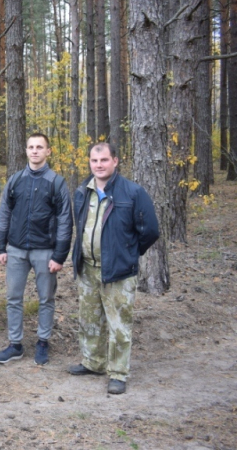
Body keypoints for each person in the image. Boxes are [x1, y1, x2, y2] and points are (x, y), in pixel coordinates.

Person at [67, 143, 159, 395]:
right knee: (89, 320)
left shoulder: (132, 192)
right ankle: (93, 362)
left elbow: (150, 230)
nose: (99, 165)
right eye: (94, 160)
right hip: (87, 269)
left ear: (115, 161)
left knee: (119, 326)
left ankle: (118, 373)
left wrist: (128, 253)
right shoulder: (82, 191)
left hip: (118, 272)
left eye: (104, 160)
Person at [0, 133, 73, 366]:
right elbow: (4, 214)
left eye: (40, 147)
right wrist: (0, 246)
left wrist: (59, 255)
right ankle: (15, 344)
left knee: (46, 298)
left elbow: (65, 221)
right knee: (13, 297)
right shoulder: (15, 180)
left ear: (48, 151)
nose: (35, 151)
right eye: (31, 147)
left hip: (45, 251)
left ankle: (42, 342)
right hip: (16, 249)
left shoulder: (57, 182)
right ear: (26, 151)